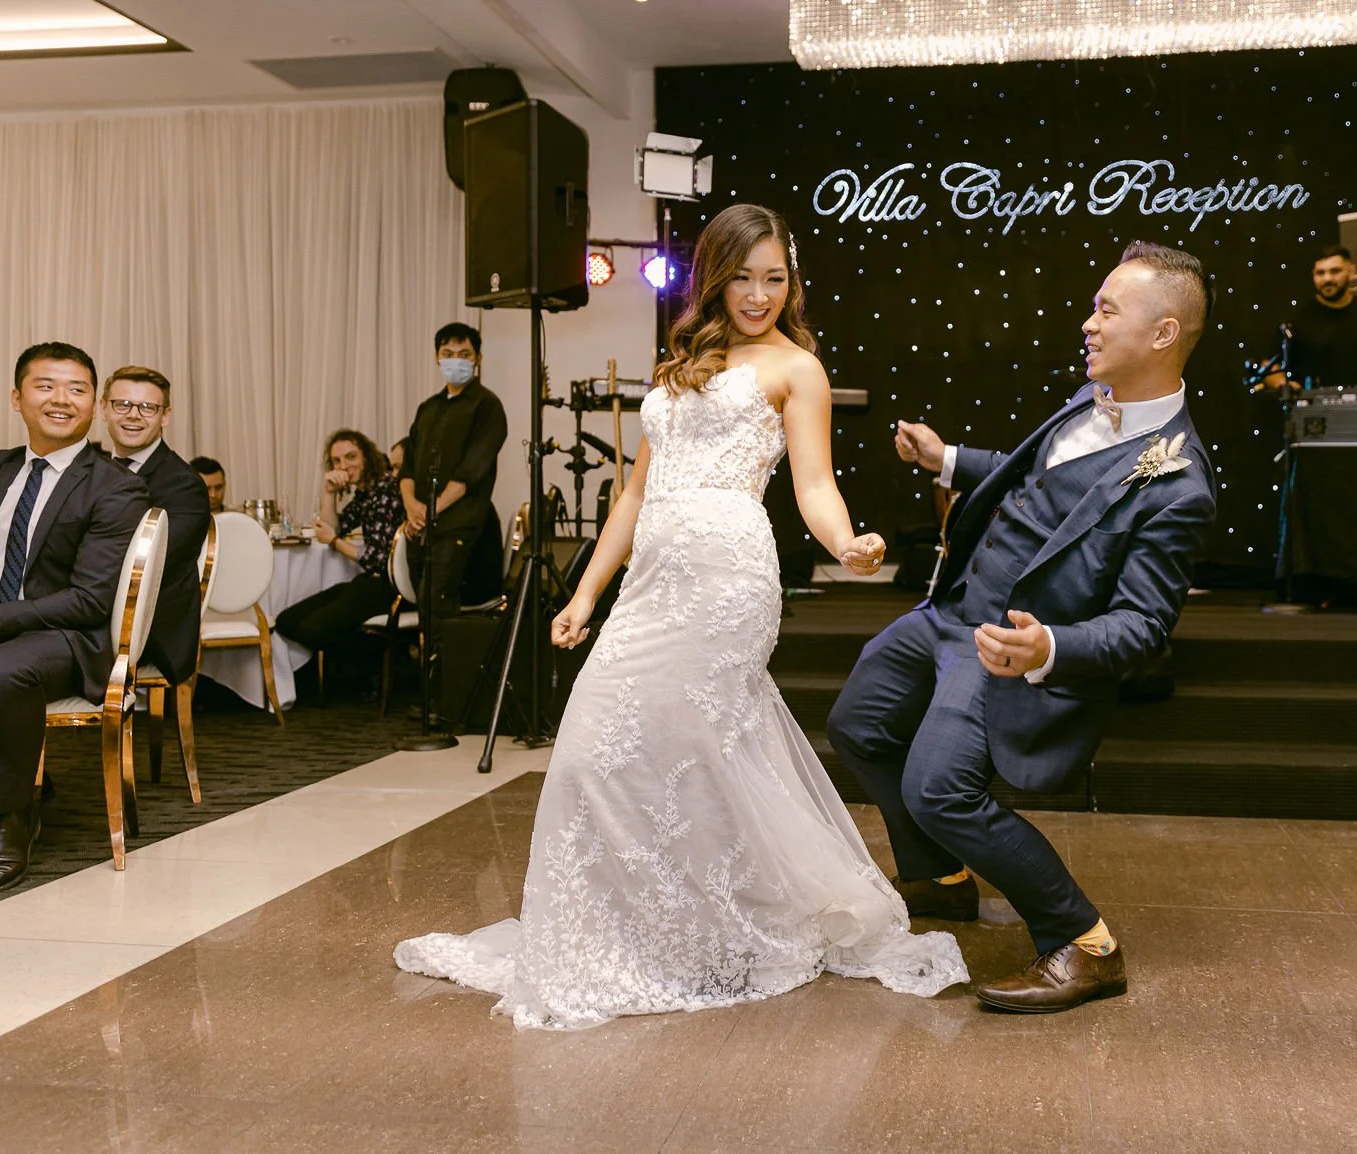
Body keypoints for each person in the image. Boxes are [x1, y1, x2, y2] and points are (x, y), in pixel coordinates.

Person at [396, 204, 967, 1027]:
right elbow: (634, 493)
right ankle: (634, 924)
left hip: (727, 581)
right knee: (593, 752)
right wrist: (586, 593)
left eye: (775, 279)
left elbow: (813, 483)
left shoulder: (797, 368)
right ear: (714, 278)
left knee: (699, 750)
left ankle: (711, 927)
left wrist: (846, 543)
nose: (759, 295)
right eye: (743, 278)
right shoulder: (678, 367)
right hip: (651, 584)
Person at [827, 242, 1218, 1014]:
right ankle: (939, 878)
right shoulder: (1088, 396)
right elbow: (1040, 481)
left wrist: (1048, 647)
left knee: (938, 788)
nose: (1088, 323)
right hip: (946, 611)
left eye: (1106, 310)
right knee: (858, 726)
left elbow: (1143, 626)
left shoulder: (1179, 485)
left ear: (1163, 333)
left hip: (998, 648)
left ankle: (1084, 943)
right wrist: (947, 459)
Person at [0, 343, 147, 891]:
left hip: (67, 636)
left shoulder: (115, 485)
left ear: (93, 404)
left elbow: (89, 599)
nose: (61, 399)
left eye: (77, 389)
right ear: (17, 398)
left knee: (2, 671)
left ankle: (11, 819)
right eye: (45, 386)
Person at [100, 366, 212, 685]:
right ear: (103, 409)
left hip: (148, 628)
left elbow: (150, 565)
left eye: (147, 407)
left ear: (165, 416)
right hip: (97, 609)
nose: (133, 415)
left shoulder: (183, 484)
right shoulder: (92, 470)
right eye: (122, 404)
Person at [274, 430, 405, 681]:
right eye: (336, 461)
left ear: (367, 457)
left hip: (388, 585)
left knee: (311, 629)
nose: (343, 466)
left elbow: (376, 559)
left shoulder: (386, 489)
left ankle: (380, 660)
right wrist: (329, 492)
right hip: (368, 582)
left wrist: (334, 541)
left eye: (351, 457)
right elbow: (333, 527)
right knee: (286, 621)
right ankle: (377, 658)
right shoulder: (366, 493)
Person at [399, 323, 506, 623]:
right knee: (422, 603)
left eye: (464, 354)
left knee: (438, 601)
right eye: (447, 353)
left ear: (477, 359)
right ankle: (426, 655)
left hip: (460, 523)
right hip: (421, 524)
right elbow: (408, 465)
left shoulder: (487, 405)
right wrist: (411, 505)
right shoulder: (428, 408)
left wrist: (432, 510)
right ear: (437, 357)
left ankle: (445, 657)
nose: (455, 360)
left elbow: (471, 471)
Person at [1272, 244, 1357, 390]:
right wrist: (1284, 386)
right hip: (1312, 402)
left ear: (1351, 271)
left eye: (1335, 271)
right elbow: (1269, 364)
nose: (1327, 278)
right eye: (1320, 273)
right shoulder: (1295, 319)